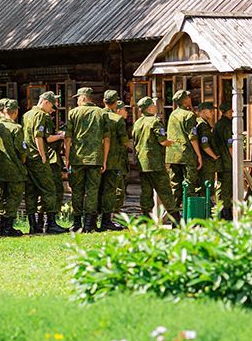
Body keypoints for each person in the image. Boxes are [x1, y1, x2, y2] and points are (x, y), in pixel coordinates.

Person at [64, 87, 110, 233]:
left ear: (83, 98)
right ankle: (89, 224)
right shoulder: (101, 113)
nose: (77, 101)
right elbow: (106, 139)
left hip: (77, 158)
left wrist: (67, 157)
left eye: (78, 98)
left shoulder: (73, 113)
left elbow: (68, 138)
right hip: (95, 159)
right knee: (92, 191)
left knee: (76, 190)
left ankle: (76, 223)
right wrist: (104, 160)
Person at [22, 91, 68, 234]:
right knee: (49, 190)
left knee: (31, 191)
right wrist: (43, 155)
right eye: (52, 105)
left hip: (28, 158)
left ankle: (33, 225)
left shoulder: (27, 115)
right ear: (45, 102)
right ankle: (50, 224)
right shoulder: (41, 115)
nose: (52, 109)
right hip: (38, 158)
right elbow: (40, 137)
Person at [132, 97, 175, 219]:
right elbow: (162, 141)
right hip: (155, 163)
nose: (155, 107)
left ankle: (146, 218)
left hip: (142, 163)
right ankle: (176, 219)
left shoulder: (137, 123)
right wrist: (173, 142)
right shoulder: (155, 122)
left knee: (146, 192)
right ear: (150, 107)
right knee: (165, 191)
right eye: (153, 105)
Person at [0, 98, 26, 237]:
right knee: (13, 198)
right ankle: (8, 227)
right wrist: (22, 161)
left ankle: (0, 227)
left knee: (2, 197)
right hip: (13, 168)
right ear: (15, 112)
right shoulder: (16, 128)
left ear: (4, 111)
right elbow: (21, 150)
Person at [166, 90, 200, 216]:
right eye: (188, 97)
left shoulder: (173, 115)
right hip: (186, 155)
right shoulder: (189, 115)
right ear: (185, 100)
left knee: (175, 186)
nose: (190, 99)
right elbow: (193, 137)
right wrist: (199, 155)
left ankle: (174, 218)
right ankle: (189, 216)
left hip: (173, 155)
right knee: (189, 186)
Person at [99, 90, 128, 231]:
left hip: (96, 160)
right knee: (110, 191)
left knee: (95, 190)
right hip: (113, 161)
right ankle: (106, 221)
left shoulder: (97, 115)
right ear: (116, 103)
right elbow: (124, 141)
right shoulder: (117, 120)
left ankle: (90, 221)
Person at [196, 101, 221, 208]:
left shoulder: (201, 123)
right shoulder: (203, 126)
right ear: (203, 111)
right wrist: (215, 156)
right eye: (210, 111)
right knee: (206, 188)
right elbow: (205, 145)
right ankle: (205, 213)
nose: (213, 113)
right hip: (207, 163)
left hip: (204, 162)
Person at [213, 101, 235, 220]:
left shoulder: (218, 124)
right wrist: (236, 161)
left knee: (222, 188)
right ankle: (225, 214)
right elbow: (230, 146)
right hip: (228, 162)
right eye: (232, 110)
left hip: (220, 161)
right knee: (226, 189)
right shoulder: (228, 126)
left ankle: (222, 211)